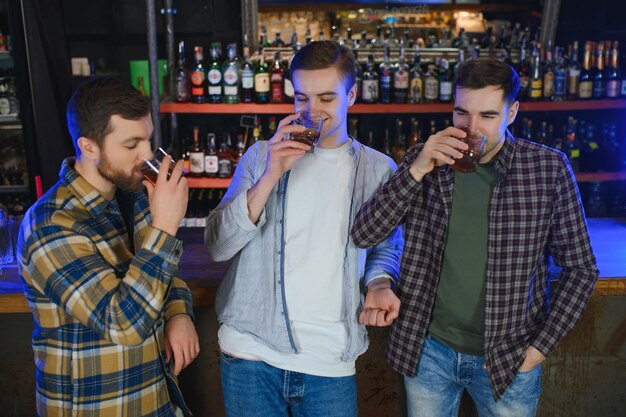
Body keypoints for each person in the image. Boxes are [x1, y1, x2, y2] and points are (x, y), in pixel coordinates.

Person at [351, 57, 598, 417]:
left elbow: (581, 269)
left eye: (488, 116)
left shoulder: (548, 168)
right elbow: (365, 234)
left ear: (512, 112)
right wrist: (417, 168)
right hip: (428, 350)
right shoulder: (426, 159)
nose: (472, 128)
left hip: (509, 354)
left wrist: (539, 349)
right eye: (462, 113)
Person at [204, 40, 403, 417]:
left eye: (327, 99)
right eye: (301, 99)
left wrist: (379, 282)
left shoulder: (379, 169)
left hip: (330, 357)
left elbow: (385, 245)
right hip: (250, 352)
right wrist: (270, 176)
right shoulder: (262, 155)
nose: (312, 111)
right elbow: (217, 245)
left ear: (353, 95)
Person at [17, 77, 199, 417]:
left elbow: (164, 270)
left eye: (148, 140)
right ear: (88, 147)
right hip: (99, 406)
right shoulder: (51, 225)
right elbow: (124, 325)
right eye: (131, 145)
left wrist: (178, 312)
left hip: (155, 398)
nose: (147, 155)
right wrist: (165, 226)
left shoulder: (134, 195)